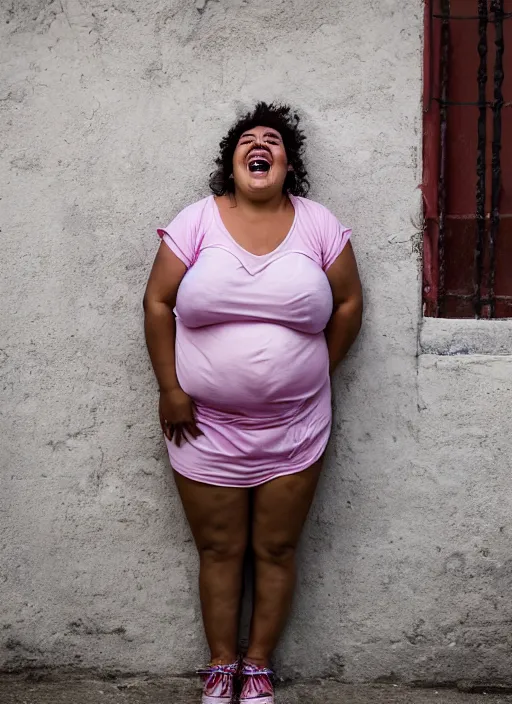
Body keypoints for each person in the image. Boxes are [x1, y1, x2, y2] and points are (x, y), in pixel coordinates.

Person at [143, 102, 363, 704]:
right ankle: (220, 664)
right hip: (204, 425)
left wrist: (317, 368)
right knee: (219, 550)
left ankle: (258, 664)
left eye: (273, 140)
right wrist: (170, 388)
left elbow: (347, 305)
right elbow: (158, 302)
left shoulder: (319, 224)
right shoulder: (197, 221)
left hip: (295, 426)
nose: (259, 145)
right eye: (248, 139)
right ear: (233, 160)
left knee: (276, 548)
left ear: (288, 163)